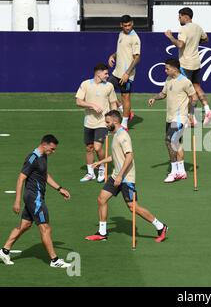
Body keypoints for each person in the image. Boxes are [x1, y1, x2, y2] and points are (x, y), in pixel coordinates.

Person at [85, 110, 168, 242]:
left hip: (126, 178)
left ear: (115, 121)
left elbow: (129, 156)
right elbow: (117, 156)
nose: (106, 124)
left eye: (107, 122)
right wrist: (100, 162)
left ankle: (160, 226)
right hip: (116, 175)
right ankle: (102, 232)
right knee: (101, 199)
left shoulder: (123, 136)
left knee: (133, 207)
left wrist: (120, 176)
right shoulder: (116, 135)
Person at [0, 135, 72, 267]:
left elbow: (44, 174)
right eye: (52, 149)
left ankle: (5, 250)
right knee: (45, 227)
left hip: (35, 197)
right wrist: (17, 201)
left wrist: (59, 188)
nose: (53, 152)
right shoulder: (32, 158)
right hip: (35, 197)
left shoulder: (43, 156)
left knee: (25, 225)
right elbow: (21, 178)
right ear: (44, 145)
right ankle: (54, 260)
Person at [148, 58, 197, 183]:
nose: (165, 70)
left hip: (180, 118)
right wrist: (154, 98)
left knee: (169, 141)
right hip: (170, 118)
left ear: (175, 69)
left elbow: (194, 98)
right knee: (176, 144)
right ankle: (182, 171)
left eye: (167, 68)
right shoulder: (169, 79)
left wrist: (191, 114)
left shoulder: (185, 81)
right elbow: (163, 94)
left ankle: (174, 172)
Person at [164, 7, 211, 126]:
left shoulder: (183, 28)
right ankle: (207, 110)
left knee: (188, 92)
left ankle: (191, 118)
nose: (178, 18)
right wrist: (195, 42)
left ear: (186, 16)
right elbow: (206, 39)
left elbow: (180, 44)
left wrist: (170, 36)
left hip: (186, 64)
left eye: (179, 16)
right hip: (196, 63)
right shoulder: (197, 27)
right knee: (196, 86)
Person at [76, 63, 118, 183]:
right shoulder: (85, 84)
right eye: (105, 73)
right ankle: (90, 173)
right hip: (89, 122)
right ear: (98, 73)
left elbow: (113, 102)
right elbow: (78, 101)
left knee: (97, 147)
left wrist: (113, 120)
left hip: (102, 123)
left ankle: (101, 167)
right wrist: (92, 105)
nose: (107, 75)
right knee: (89, 148)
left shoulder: (109, 86)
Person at [108, 14, 141, 130]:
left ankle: (125, 124)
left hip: (127, 74)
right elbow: (120, 51)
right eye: (125, 25)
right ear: (121, 25)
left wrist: (127, 73)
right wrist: (112, 56)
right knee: (106, 89)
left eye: (129, 25)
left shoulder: (135, 38)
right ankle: (123, 109)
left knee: (125, 96)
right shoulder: (121, 34)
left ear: (132, 23)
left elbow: (137, 57)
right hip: (116, 72)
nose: (128, 27)